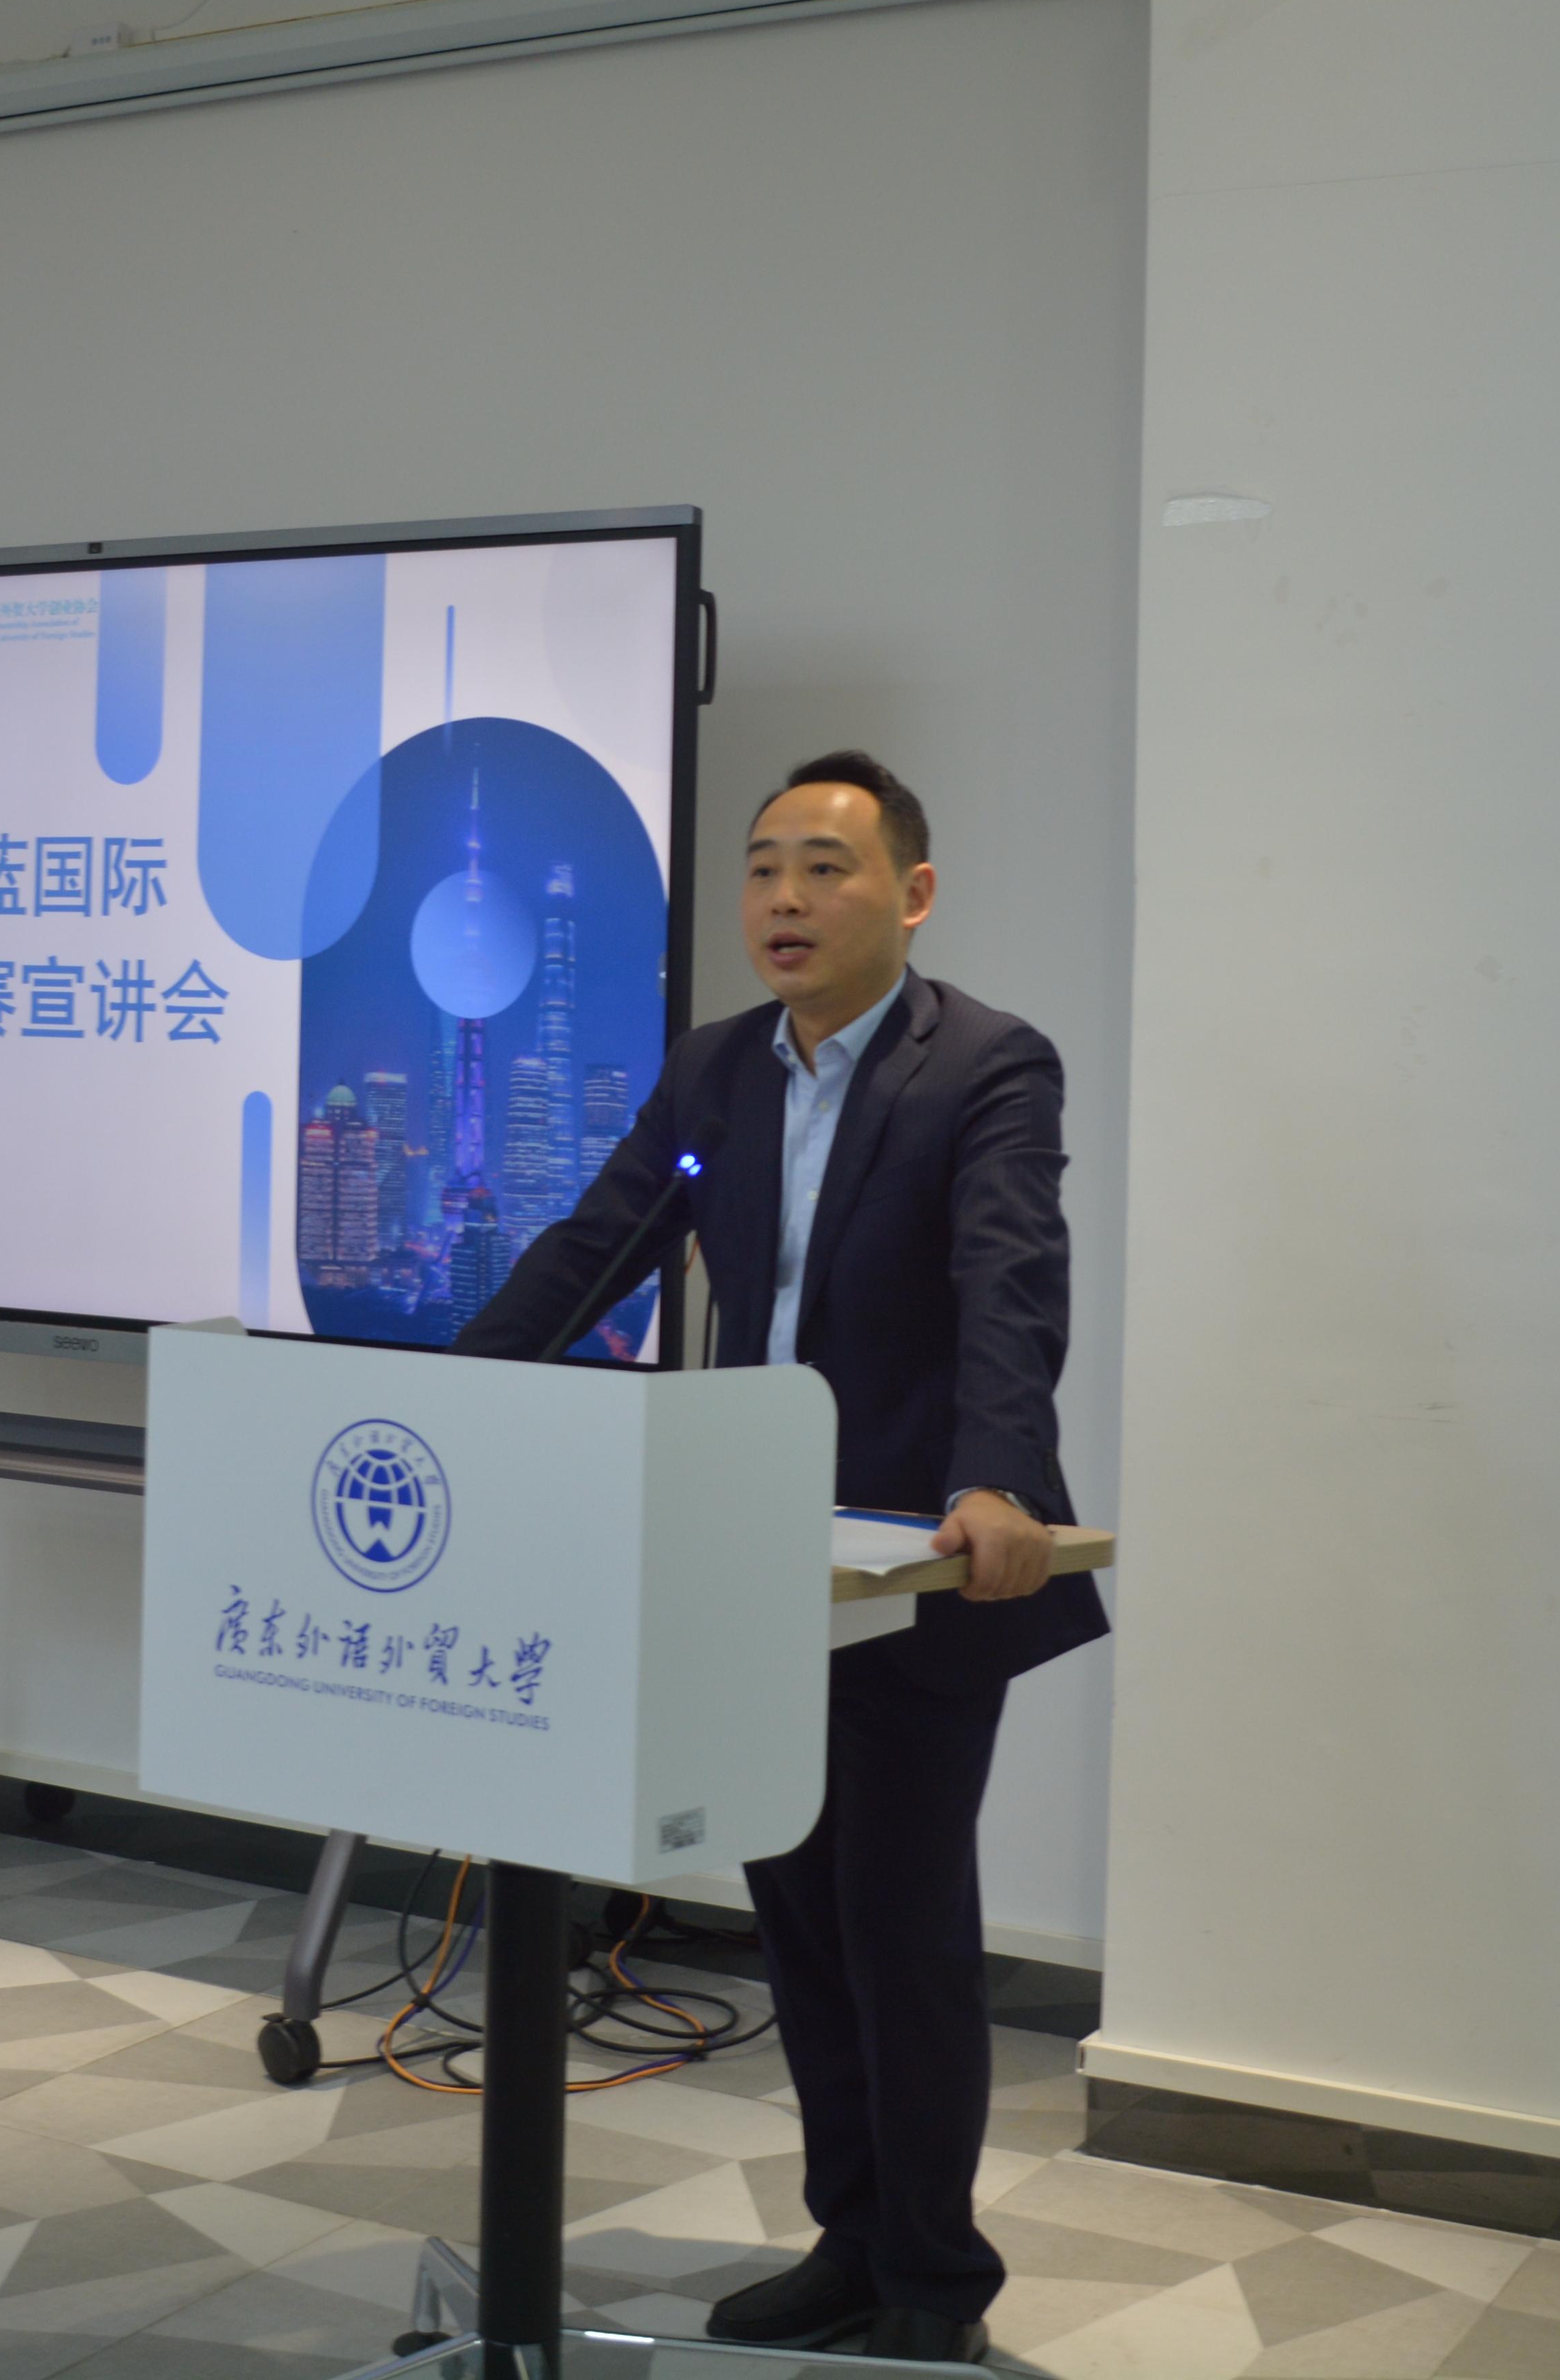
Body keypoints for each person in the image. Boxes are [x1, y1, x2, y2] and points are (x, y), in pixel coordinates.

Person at [458, 749, 1107, 2366]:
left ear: (914, 892)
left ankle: (936, 2282)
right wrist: (450, 1397)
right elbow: (599, 1242)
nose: (785, 899)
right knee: (799, 1917)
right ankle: (850, 2238)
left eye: (825, 865)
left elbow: (1010, 1279)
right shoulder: (718, 1072)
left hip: (915, 1562)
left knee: (901, 1923)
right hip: (750, 1555)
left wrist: (996, 1477)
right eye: (762, 868)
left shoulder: (987, 1065)